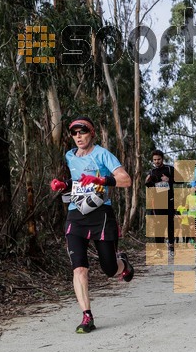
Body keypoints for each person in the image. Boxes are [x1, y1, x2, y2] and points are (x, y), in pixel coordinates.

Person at [50, 115, 134, 333]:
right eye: (74, 133)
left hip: (101, 215)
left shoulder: (103, 154)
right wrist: (63, 185)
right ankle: (87, 316)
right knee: (79, 268)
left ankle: (122, 263)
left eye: (83, 132)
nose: (78, 136)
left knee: (109, 269)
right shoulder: (70, 156)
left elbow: (126, 180)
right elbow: (76, 182)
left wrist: (101, 180)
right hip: (75, 214)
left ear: (92, 133)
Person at [145, 150, 175, 255]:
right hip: (157, 202)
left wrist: (169, 179)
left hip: (170, 201)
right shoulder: (152, 172)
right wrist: (147, 182)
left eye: (158, 159)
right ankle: (159, 249)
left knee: (170, 224)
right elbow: (151, 186)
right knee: (159, 225)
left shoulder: (169, 169)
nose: (156, 161)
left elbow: (181, 179)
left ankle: (171, 246)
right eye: (154, 160)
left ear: (162, 159)